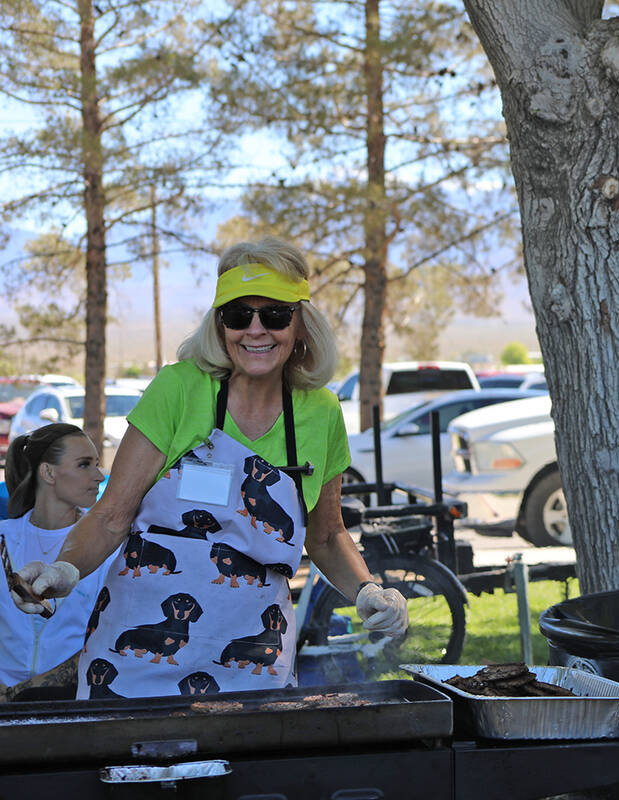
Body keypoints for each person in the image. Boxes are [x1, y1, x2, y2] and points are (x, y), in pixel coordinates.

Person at [14, 237, 408, 699]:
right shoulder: (178, 389)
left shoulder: (321, 411)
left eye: (275, 315)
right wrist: (64, 569)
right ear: (220, 325)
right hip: (136, 661)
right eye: (239, 315)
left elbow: (325, 535)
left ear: (301, 324)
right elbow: (110, 516)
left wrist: (366, 591)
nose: (255, 330)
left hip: (252, 660)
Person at [0, 424, 108, 692]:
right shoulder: (4, 538)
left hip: (71, 704)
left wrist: (24, 692)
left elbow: (104, 639)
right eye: (84, 465)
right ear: (48, 472)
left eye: (97, 464)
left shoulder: (105, 545)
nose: (99, 475)